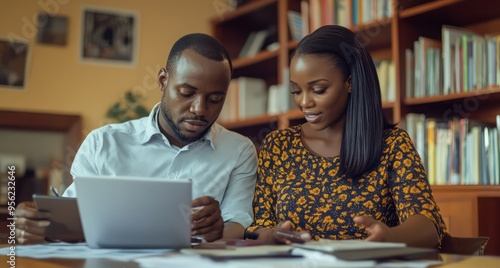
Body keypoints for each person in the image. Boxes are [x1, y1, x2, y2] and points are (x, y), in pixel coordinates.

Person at [15, 33, 258, 244]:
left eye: (215, 99)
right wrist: (37, 225)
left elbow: (237, 223)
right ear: (163, 81)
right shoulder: (104, 143)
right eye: (187, 93)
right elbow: (70, 223)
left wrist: (218, 233)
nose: (199, 109)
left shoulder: (238, 151)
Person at [245, 25, 446, 248]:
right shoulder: (278, 146)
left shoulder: (392, 145)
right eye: (296, 91)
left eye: (318, 90)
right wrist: (274, 235)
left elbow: (428, 224)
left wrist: (390, 237)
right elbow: (258, 225)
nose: (304, 102)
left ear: (350, 83)